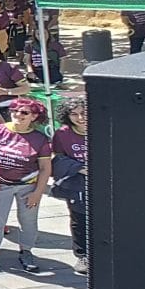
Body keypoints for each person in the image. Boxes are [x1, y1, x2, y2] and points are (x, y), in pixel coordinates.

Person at [0, 98, 54, 274]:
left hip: (28, 186)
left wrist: (38, 192)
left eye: (24, 112)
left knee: (28, 221)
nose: (18, 114)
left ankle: (26, 252)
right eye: (14, 111)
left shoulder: (40, 139)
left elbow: (45, 168)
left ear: (34, 116)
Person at [50, 99, 88, 274]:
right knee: (79, 218)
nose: (80, 118)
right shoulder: (62, 134)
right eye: (74, 114)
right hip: (76, 182)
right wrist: (79, 168)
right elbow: (58, 159)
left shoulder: (103, 127)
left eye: (84, 113)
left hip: (105, 180)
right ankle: (82, 255)